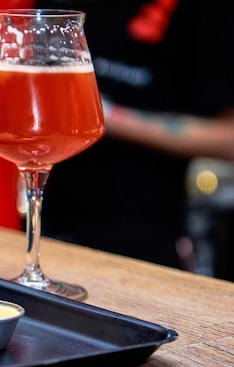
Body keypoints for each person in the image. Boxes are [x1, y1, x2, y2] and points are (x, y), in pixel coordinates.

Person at [32, 0, 234, 270]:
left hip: (141, 233)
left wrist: (100, 114)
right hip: (40, 216)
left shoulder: (208, 12)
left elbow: (228, 138)